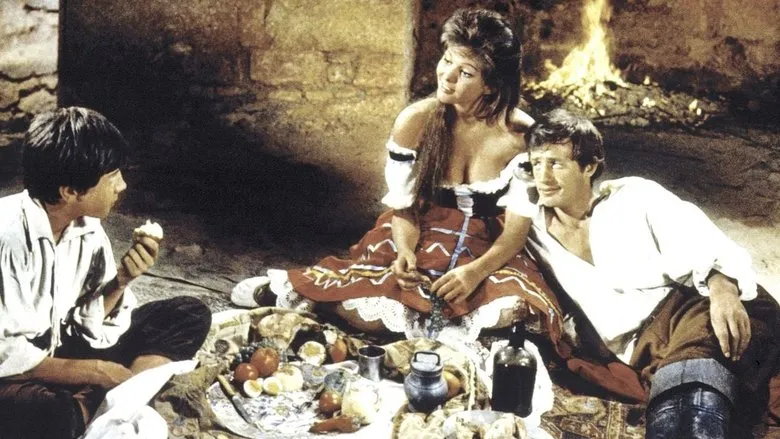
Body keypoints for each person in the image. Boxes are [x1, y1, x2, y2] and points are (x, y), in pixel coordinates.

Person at [253, 8, 562, 342]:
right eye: (447, 60)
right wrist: (405, 253)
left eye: (465, 72)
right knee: (378, 310)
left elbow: (514, 234)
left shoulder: (523, 136)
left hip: (488, 244)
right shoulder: (414, 122)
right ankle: (299, 291)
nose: (447, 76)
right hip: (419, 229)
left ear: (490, 85)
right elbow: (404, 209)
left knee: (512, 309)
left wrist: (474, 273)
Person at [521, 108, 779, 438]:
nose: (543, 176)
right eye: (536, 163)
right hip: (643, 346)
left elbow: (705, 241)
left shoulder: (632, 196)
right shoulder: (529, 227)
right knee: (683, 377)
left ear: (589, 166)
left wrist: (723, 289)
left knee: (704, 355)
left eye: (556, 163)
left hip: (691, 306)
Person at [0, 107, 212, 439]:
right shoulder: (8, 236)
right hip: (14, 372)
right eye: (112, 175)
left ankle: (107, 403)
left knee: (188, 314)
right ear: (70, 191)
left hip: (60, 349)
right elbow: (6, 355)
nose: (122, 185)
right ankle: (106, 401)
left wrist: (122, 281)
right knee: (50, 415)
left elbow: (85, 324)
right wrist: (96, 371)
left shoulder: (88, 229)